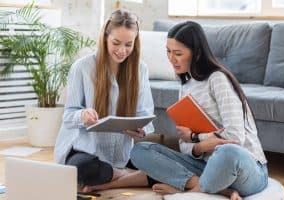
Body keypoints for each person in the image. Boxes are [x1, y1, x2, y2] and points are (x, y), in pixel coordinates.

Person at [130, 21, 268, 200]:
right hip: (206, 167)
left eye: (178, 53)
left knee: (226, 152)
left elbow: (235, 137)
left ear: (196, 53)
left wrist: (196, 138)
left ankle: (188, 192)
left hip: (244, 168)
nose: (172, 59)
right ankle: (214, 190)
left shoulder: (217, 79)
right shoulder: (186, 86)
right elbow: (184, 145)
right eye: (168, 51)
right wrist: (200, 147)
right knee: (140, 150)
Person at [54, 9, 156, 192]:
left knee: (163, 162)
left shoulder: (140, 69)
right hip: (85, 149)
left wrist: (141, 130)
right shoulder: (82, 67)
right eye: (116, 43)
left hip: (122, 154)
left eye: (128, 44)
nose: (122, 51)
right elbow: (68, 115)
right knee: (81, 169)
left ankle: (111, 179)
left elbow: (145, 114)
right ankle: (127, 175)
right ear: (105, 38)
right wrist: (83, 115)